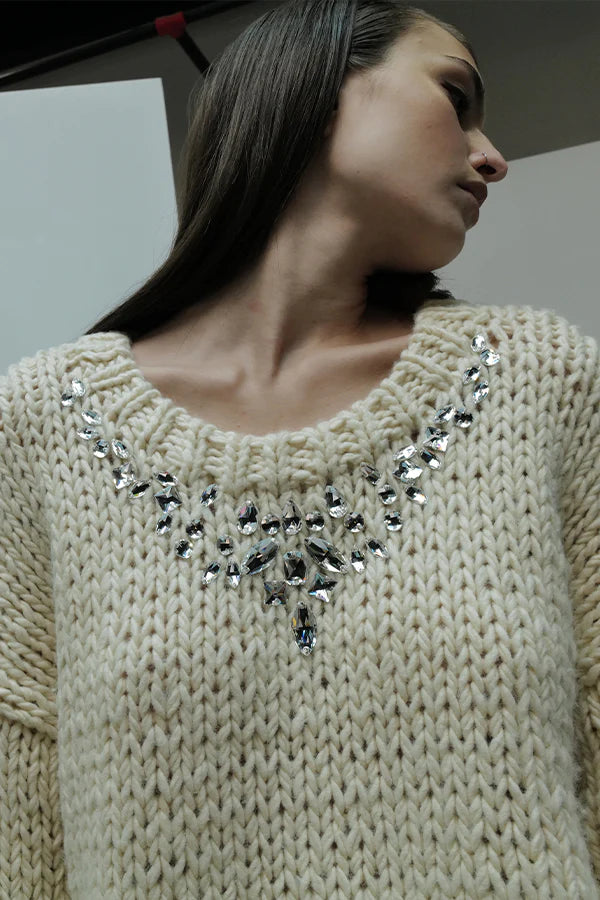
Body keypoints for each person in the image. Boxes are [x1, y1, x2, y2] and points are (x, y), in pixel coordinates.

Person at [1, 1, 598, 897]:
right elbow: (20, 804)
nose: (492, 157)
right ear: (316, 92)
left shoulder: (540, 380)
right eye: (456, 98)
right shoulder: (43, 421)